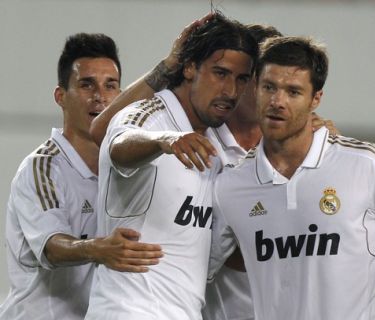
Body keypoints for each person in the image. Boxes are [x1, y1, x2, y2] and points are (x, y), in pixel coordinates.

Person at [208, 36, 375, 320]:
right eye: (269, 88)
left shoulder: (362, 164)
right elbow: (198, 266)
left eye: (293, 92)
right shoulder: (232, 185)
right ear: (255, 89)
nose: (277, 101)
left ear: (316, 99)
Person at [84, 14, 258, 320]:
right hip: (127, 310)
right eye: (220, 73)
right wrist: (162, 140)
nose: (231, 90)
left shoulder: (222, 148)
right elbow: (118, 145)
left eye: (241, 79)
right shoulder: (149, 115)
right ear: (190, 67)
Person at [0, 33, 163, 320]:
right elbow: (51, 247)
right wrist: (98, 249)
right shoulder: (41, 168)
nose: (100, 96)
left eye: (110, 86)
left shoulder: (125, 171)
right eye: (87, 84)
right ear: (60, 96)